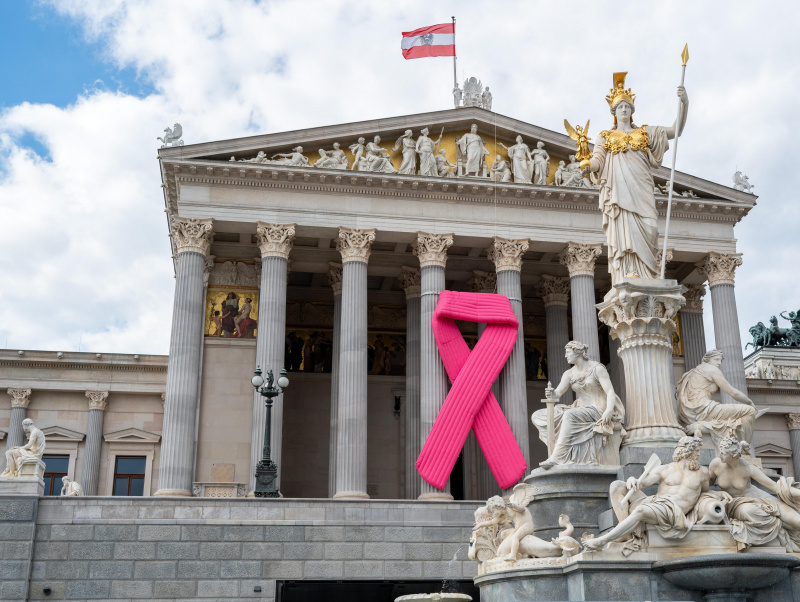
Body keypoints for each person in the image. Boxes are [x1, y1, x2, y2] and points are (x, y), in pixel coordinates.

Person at [582, 73, 689, 285]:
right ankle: (630, 272)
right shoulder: (605, 136)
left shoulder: (645, 133)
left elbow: (675, 130)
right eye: (620, 107)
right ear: (614, 112)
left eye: (627, 106)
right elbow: (597, 161)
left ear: (632, 110)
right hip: (620, 193)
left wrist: (684, 102)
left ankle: (648, 275)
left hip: (642, 189)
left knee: (651, 229)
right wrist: (587, 166)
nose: (624, 109)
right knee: (626, 232)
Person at [582, 436, 707, 552]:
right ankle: (626, 534)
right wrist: (632, 480)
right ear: (687, 451)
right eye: (696, 450)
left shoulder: (703, 473)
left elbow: (705, 493)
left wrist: (720, 497)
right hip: (656, 502)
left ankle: (602, 540)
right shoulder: (665, 469)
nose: (699, 454)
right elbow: (642, 483)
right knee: (617, 486)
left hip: (673, 511)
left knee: (641, 510)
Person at [531, 341, 623, 468]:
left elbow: (610, 391)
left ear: (577, 352)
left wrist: (608, 410)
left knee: (569, 415)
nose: (565, 356)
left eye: (568, 353)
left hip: (597, 409)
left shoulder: (597, 368)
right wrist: (552, 393)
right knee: (538, 416)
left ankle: (558, 456)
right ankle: (563, 449)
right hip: (580, 409)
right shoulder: (569, 374)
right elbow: (558, 393)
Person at [709, 435, 800, 551]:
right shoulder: (715, 464)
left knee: (797, 520)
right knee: (750, 511)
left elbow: (775, 487)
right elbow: (706, 487)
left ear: (733, 455)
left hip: (759, 496)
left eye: (723, 453)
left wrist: (797, 492)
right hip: (737, 503)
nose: (720, 455)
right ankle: (780, 528)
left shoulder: (747, 467)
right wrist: (719, 493)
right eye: (720, 452)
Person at [676, 349, 757, 449]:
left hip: (690, 412)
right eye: (716, 359)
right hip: (704, 409)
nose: (719, 363)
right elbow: (732, 392)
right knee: (749, 411)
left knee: (730, 419)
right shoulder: (711, 369)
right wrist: (749, 402)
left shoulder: (694, 371)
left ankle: (701, 427)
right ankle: (744, 448)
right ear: (708, 360)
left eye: (720, 360)